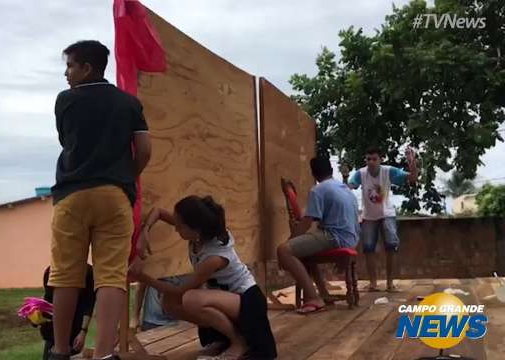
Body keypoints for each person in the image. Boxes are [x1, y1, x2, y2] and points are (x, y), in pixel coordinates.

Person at [48, 40, 152, 360]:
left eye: (70, 66)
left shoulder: (65, 101)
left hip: (72, 195)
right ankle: (105, 354)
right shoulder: (129, 104)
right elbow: (145, 150)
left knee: (66, 275)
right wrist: (124, 178)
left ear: (86, 68)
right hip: (114, 196)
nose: (66, 73)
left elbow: (68, 142)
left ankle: (61, 350)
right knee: (111, 277)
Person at [130, 196, 277, 360]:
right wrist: (145, 231)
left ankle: (239, 342)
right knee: (168, 303)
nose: (176, 228)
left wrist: (143, 278)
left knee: (190, 298)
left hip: (248, 301)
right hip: (227, 298)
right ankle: (224, 337)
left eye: (180, 226)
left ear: (196, 230)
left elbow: (181, 290)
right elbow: (158, 211)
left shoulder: (214, 257)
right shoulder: (199, 231)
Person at [276, 157, 360, 314]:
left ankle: (313, 298)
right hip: (351, 238)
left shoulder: (318, 190)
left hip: (335, 237)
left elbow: (307, 222)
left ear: (313, 173)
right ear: (331, 170)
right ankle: (323, 293)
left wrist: (289, 243)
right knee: (305, 249)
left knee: (283, 250)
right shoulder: (344, 188)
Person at [348, 147, 418, 292]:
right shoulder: (361, 173)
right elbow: (350, 186)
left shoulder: (388, 171)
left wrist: (413, 164)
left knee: (391, 246)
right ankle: (373, 283)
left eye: (374, 159)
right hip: (368, 216)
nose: (371, 162)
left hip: (387, 214)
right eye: (368, 159)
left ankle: (390, 283)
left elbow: (412, 178)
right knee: (368, 248)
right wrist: (344, 176)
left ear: (380, 160)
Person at [40, 266, 95, 359]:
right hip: (52, 331)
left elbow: (89, 304)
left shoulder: (88, 273)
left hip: (74, 330)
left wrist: (83, 331)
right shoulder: (50, 272)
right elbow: (48, 301)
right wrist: (36, 318)